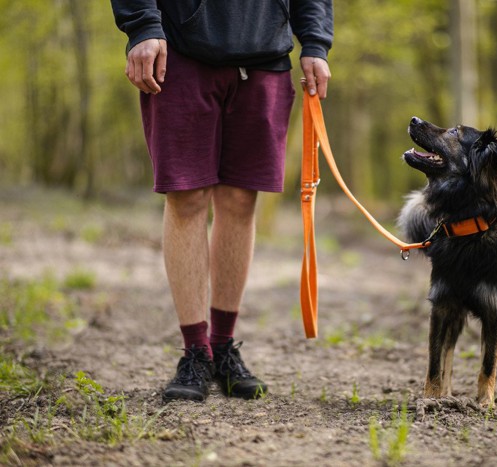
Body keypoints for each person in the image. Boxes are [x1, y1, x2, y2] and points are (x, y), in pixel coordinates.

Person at [110, 1, 333, 402]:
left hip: (266, 55)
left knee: (240, 199)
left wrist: (315, 42)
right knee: (186, 197)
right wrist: (142, 26)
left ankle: (223, 346)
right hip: (179, 51)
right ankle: (196, 350)